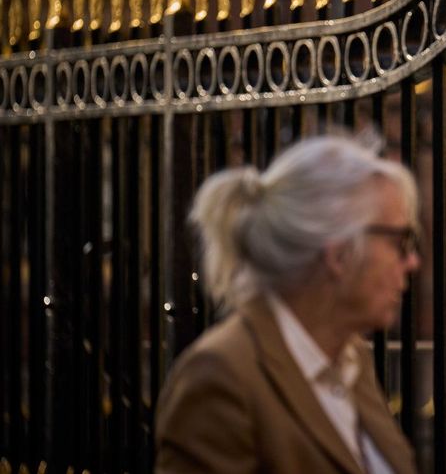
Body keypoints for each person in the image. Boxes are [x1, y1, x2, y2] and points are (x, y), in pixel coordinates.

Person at [155, 135, 420, 474]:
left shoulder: (351, 361)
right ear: (338, 253)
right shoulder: (219, 379)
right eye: (399, 242)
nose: (412, 261)